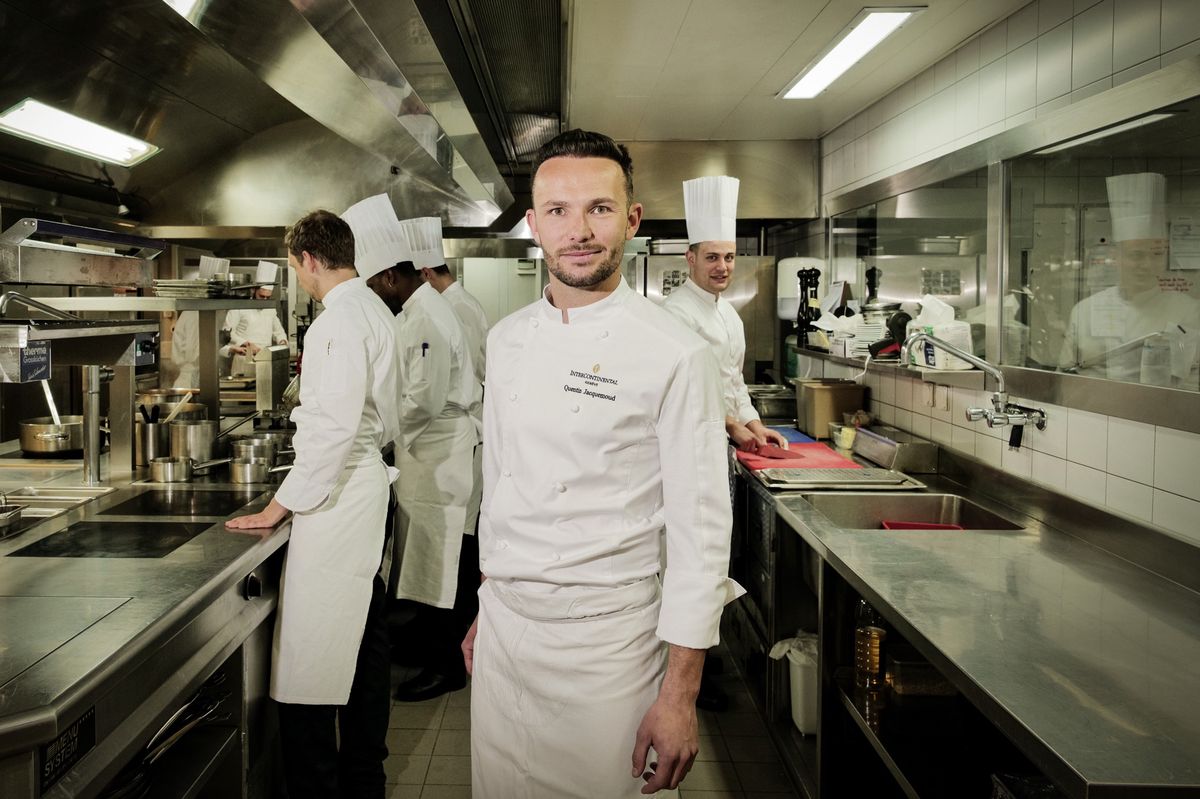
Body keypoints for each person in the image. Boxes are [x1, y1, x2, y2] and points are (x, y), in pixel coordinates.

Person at [464, 129, 743, 797]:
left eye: (599, 207)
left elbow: (702, 536)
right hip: (504, 640)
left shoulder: (675, 352)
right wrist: (485, 603)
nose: (578, 230)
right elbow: (500, 481)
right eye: (557, 211)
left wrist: (680, 692)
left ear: (632, 219)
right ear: (534, 224)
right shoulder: (505, 341)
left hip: (610, 650)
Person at [225, 210, 400, 799]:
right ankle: (361, 781)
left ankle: (322, 786)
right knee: (364, 642)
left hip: (338, 502)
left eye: (296, 266)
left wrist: (281, 505)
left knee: (313, 663)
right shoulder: (374, 308)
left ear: (307, 260)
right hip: (360, 490)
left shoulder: (337, 323)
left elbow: (331, 429)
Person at [343, 196, 483, 702]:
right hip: (429, 455)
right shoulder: (421, 309)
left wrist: (375, 435)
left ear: (387, 277)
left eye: (374, 284)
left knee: (442, 565)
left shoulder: (426, 318)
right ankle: (430, 647)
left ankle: (446, 665)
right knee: (431, 563)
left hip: (440, 455)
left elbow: (422, 401)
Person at [662, 176, 788, 452]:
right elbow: (684, 391)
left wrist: (755, 424)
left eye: (729, 257)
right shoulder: (676, 313)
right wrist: (731, 426)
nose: (723, 266)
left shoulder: (730, 314)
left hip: (727, 441)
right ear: (691, 258)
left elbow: (734, 382)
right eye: (712, 257)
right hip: (694, 443)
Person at [1059, 172, 1200, 388]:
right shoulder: (1084, 311)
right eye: (1137, 255)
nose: (1147, 264)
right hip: (1090, 413)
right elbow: (1065, 377)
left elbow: (1192, 382)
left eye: (1156, 254)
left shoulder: (1188, 310)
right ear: (1116, 256)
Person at [400, 216, 489, 543]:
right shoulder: (455, 303)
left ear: (424, 273)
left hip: (460, 431)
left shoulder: (453, 308)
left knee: (458, 539)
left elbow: (439, 383)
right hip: (459, 427)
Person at [221, 261, 289, 376]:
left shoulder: (270, 309)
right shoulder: (239, 307)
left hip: (265, 360)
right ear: (253, 290)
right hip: (243, 360)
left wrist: (282, 341)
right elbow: (227, 333)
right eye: (262, 296)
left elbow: (278, 331)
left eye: (268, 297)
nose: (265, 301)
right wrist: (245, 343)